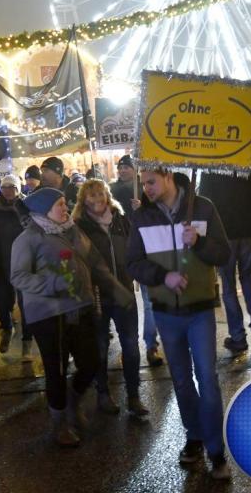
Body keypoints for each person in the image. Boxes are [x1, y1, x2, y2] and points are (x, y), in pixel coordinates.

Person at [127, 168, 232, 480]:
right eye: (143, 182)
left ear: (168, 177)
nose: (146, 188)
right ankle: (194, 436)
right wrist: (164, 276)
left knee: (207, 379)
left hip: (200, 311)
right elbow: (133, 263)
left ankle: (216, 450)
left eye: (151, 181)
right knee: (182, 381)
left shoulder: (203, 207)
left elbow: (223, 253)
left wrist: (198, 241)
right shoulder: (142, 217)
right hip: (165, 313)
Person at [10, 188, 134, 448]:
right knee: (56, 370)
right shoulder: (28, 238)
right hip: (48, 315)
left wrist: (118, 291)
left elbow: (96, 263)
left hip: (80, 308)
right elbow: (19, 277)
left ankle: (72, 401)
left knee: (91, 361)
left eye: (65, 204)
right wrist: (53, 283)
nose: (65, 208)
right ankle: (59, 425)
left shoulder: (73, 230)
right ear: (44, 210)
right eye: (59, 205)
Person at [73, 179, 148, 419]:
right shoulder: (79, 227)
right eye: (92, 195)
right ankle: (103, 393)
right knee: (101, 348)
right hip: (97, 296)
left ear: (108, 196)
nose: (97, 199)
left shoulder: (120, 220)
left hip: (123, 292)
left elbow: (136, 248)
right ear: (83, 200)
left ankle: (134, 395)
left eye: (101, 194)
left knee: (131, 346)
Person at [199, 171, 251, 353]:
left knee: (228, 286)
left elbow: (205, 203)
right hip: (246, 234)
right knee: (247, 279)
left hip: (224, 235)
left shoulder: (211, 170)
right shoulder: (247, 169)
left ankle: (238, 336)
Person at [109, 155, 163, 367]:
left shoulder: (147, 190)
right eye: (120, 167)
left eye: (126, 167)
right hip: (121, 252)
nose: (122, 170)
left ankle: (151, 345)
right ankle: (129, 347)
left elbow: (159, 217)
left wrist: (142, 209)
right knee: (125, 301)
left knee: (150, 302)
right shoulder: (111, 190)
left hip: (145, 250)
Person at [0, 174, 33, 361]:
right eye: (5, 187)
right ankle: (7, 327)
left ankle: (27, 340)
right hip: (0, 262)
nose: (8, 191)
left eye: (12, 187)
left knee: (26, 304)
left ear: (18, 189)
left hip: (23, 262)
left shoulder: (26, 206)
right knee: (2, 302)